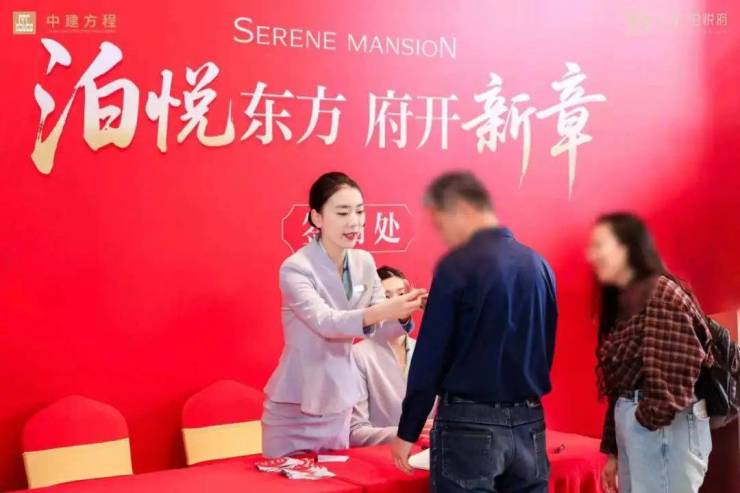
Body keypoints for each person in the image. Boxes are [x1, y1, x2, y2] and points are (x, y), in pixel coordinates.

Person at [391, 171, 558, 493]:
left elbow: (431, 356)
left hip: (469, 424)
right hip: (529, 421)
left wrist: (408, 430)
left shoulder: (457, 266)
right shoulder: (539, 265)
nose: (444, 234)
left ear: (463, 211)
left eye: (442, 223)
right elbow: (544, 344)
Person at [262, 172, 426, 457]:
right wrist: (386, 309)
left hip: (339, 405)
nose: (354, 222)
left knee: (335, 478)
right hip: (295, 405)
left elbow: (381, 327)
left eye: (359, 211)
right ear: (317, 218)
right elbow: (326, 322)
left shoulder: (364, 261)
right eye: (342, 212)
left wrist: (407, 307)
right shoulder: (296, 268)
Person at [588, 212, 713, 493]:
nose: (592, 255)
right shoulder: (628, 300)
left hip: (661, 430)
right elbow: (621, 385)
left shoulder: (660, 294)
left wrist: (641, 423)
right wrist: (616, 450)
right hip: (644, 429)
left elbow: (677, 377)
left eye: (600, 245)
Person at [350, 266, 433, 446]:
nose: (397, 303)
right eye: (387, 297)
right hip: (379, 457)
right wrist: (408, 432)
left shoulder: (427, 351)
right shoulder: (358, 355)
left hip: (428, 454)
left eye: (402, 294)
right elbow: (355, 433)